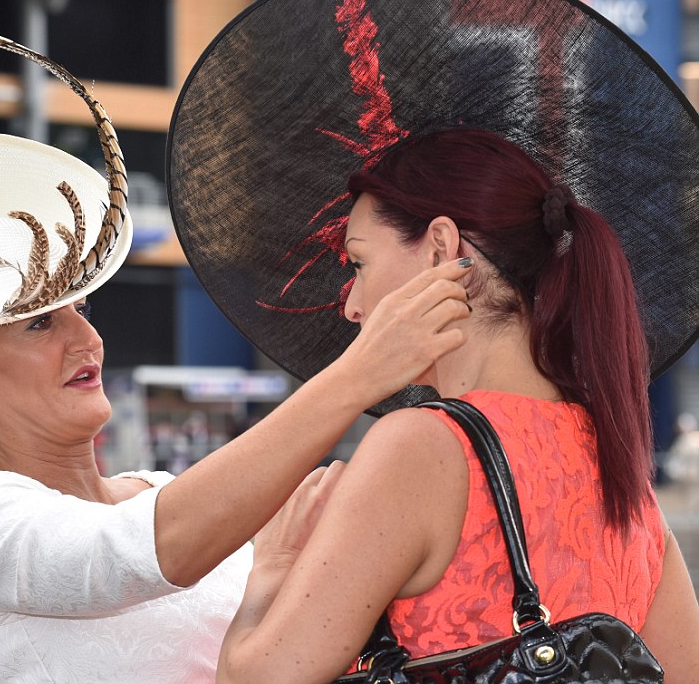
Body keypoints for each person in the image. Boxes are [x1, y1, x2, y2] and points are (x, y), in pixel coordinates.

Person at [0, 27, 473, 683]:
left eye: (81, 311)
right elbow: (141, 553)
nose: (86, 342)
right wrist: (357, 375)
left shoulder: (159, 491)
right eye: (37, 327)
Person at [215, 128, 699, 683]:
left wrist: (271, 571)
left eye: (358, 265)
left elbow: (257, 679)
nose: (351, 306)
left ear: (444, 250)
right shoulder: (620, 469)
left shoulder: (423, 446)